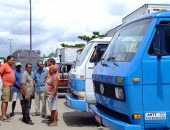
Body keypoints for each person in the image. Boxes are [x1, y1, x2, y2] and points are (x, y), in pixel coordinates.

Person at [0, 55, 15, 122]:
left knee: (7, 101)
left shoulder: (10, 67)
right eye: (12, 60)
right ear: (8, 60)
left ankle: (5, 114)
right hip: (6, 86)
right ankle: (3, 116)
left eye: (14, 60)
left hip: (11, 86)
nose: (13, 61)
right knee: (4, 101)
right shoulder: (4, 65)